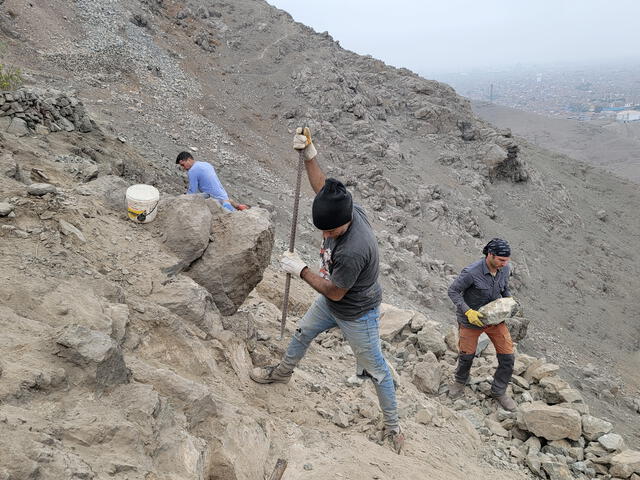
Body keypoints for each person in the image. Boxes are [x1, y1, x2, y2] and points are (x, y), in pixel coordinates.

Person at [249, 128, 404, 453]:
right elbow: (322, 188)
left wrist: (301, 269)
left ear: (344, 224)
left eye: (330, 231)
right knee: (302, 332)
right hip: (332, 302)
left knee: (376, 370)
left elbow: (335, 293)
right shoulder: (344, 205)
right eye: (323, 230)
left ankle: (393, 427)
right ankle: (282, 373)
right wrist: (310, 154)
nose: (326, 235)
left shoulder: (352, 250)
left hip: (357, 312)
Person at [447, 238, 517, 411]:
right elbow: (453, 291)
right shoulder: (471, 272)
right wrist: (468, 311)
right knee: (467, 356)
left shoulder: (504, 269)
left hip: (494, 319)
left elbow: (504, 287)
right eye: (501, 260)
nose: (505, 263)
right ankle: (460, 381)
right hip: (471, 321)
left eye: (507, 260)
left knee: (508, 356)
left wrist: (508, 301)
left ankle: (499, 391)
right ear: (490, 255)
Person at [175, 151, 247, 211]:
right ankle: (233, 203)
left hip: (213, 197)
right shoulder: (206, 164)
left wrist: (182, 199)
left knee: (193, 198)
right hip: (223, 194)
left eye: (183, 165)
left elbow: (192, 191)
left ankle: (228, 206)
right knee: (223, 198)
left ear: (189, 160)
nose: (183, 168)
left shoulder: (192, 170)